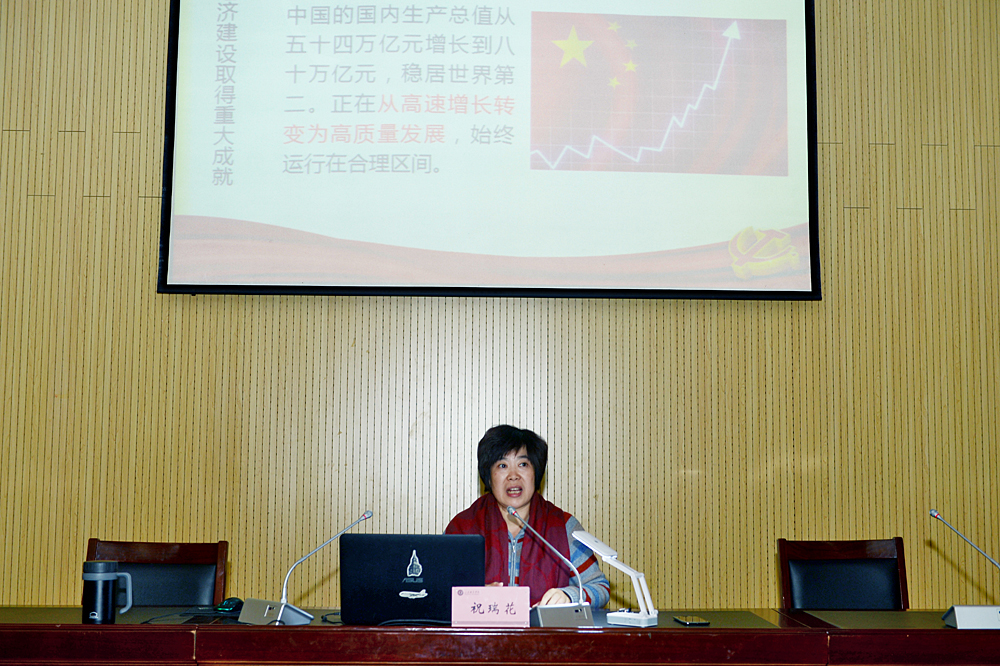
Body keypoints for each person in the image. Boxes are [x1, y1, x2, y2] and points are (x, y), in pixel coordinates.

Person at [446, 425, 610, 607]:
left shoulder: (563, 526)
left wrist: (569, 596)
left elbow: (600, 588)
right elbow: (438, 590)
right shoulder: (462, 528)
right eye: (502, 465)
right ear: (489, 477)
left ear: (536, 473)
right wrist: (472, 595)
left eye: (523, 464)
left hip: (546, 627)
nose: (513, 476)